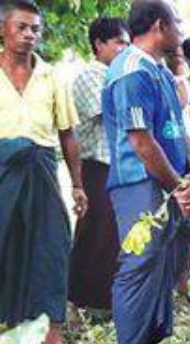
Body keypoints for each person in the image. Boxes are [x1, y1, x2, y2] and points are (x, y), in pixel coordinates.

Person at [103, 0, 190, 344]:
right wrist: (179, 185)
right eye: (178, 23)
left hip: (171, 182)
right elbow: (142, 143)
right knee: (139, 265)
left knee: (170, 256)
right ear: (160, 25)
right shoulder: (131, 70)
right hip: (139, 183)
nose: (182, 32)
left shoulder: (160, 71)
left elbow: (178, 130)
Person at [0, 0, 87, 344]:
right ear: (3, 29)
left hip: (42, 169)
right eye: (21, 27)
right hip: (2, 168)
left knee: (51, 246)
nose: (29, 35)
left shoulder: (52, 76)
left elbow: (68, 134)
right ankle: (8, 333)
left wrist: (78, 185)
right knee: (4, 245)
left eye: (35, 29)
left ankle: (50, 337)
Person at [68, 17, 130, 315]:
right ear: (99, 44)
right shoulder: (91, 75)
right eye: (119, 43)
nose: (124, 49)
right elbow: (112, 111)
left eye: (127, 44)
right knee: (94, 237)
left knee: (112, 239)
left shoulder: (117, 76)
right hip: (96, 168)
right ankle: (78, 303)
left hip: (118, 167)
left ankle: (103, 305)